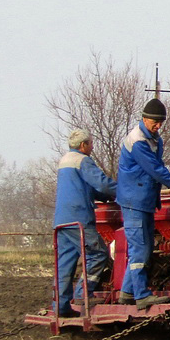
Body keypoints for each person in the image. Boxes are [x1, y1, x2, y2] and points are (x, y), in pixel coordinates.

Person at [116, 98, 170, 309]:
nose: (158, 125)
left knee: (142, 248)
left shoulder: (155, 139)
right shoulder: (138, 142)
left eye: (161, 122)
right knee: (140, 249)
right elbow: (155, 170)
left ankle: (127, 293)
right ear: (144, 119)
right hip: (133, 201)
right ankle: (142, 296)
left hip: (144, 200)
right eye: (155, 122)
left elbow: (158, 168)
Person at [53, 128, 115, 316]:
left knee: (64, 264)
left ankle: (60, 308)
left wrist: (103, 196)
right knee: (98, 254)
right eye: (90, 144)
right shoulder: (83, 161)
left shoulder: (64, 162)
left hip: (61, 221)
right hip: (78, 218)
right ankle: (82, 296)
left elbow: (86, 188)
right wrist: (124, 192)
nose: (92, 147)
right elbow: (102, 183)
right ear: (83, 145)